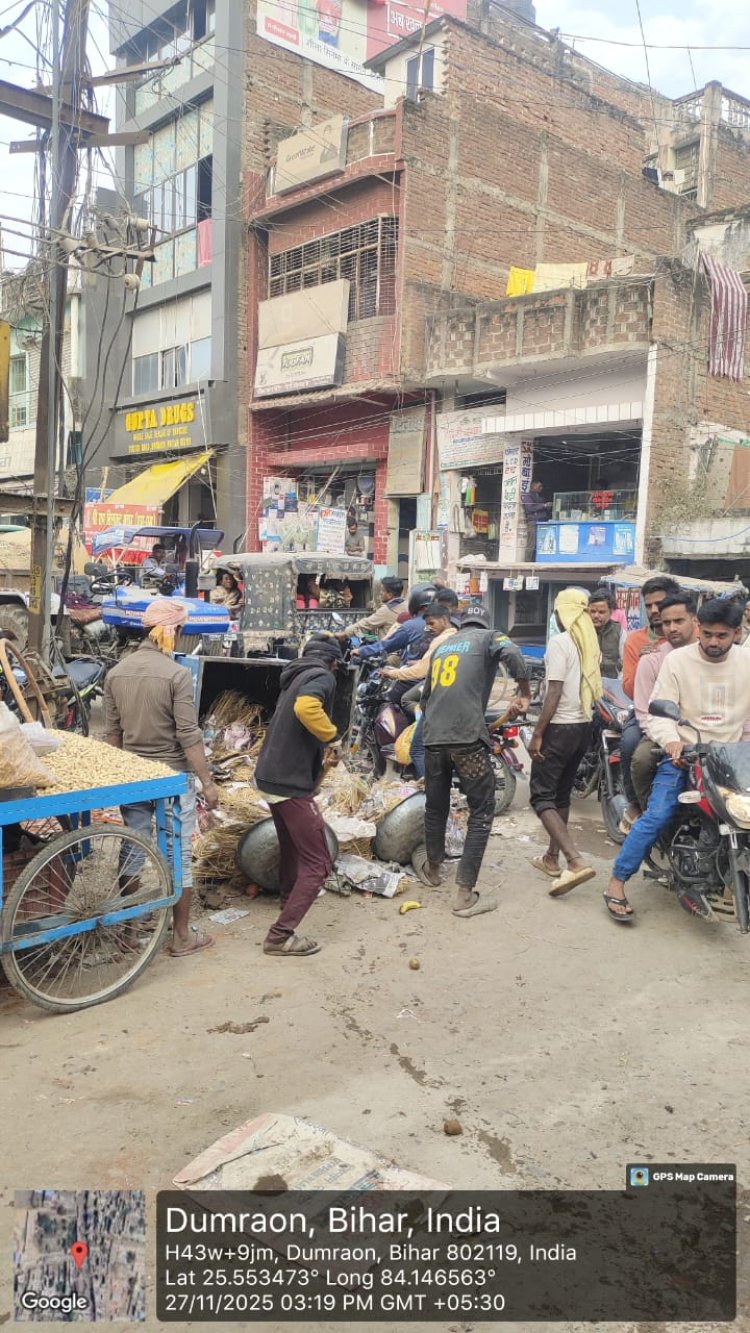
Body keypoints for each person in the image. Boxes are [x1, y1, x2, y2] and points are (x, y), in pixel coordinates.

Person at [603, 598, 750, 924]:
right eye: (708, 634)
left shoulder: (747, 661)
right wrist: (671, 740)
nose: (713, 642)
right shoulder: (677, 662)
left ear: (737, 633)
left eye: (722, 636)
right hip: (684, 755)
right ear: (699, 628)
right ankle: (616, 881)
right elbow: (659, 710)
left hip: (732, 759)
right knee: (657, 815)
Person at [104, 598, 219, 957]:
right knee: (178, 853)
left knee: (133, 847)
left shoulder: (115, 673)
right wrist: (208, 782)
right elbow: (188, 734)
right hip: (171, 778)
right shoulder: (177, 675)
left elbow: (112, 735)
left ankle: (129, 932)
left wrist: (119, 777)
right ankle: (181, 935)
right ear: (174, 632)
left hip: (134, 776)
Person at [416, 604, 531, 916]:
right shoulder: (488, 637)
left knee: (435, 807)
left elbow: (425, 700)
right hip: (466, 739)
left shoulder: (442, 648)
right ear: (483, 624)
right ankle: (464, 894)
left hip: (433, 740)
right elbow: (515, 655)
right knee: (481, 811)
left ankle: (433, 870)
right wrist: (524, 692)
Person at [254, 637, 344, 957]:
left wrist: (320, 764)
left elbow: (297, 728)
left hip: (270, 776)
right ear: (334, 663)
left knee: (292, 850)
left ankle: (286, 906)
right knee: (318, 863)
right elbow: (306, 709)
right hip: (286, 782)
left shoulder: (295, 676)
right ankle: (280, 937)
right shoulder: (322, 676)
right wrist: (332, 737)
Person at [527, 588, 602, 895]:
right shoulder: (588, 641)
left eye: (556, 612)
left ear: (563, 613)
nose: (555, 618)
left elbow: (554, 693)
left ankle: (574, 861)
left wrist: (537, 733)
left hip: (560, 728)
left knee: (541, 796)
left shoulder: (560, 642)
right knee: (560, 796)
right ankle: (551, 857)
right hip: (583, 726)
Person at [620, 594, 698, 831]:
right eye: (666, 623)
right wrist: (668, 739)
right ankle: (646, 813)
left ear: (695, 620)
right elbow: (645, 710)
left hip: (701, 729)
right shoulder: (652, 658)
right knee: (641, 758)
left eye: (678, 621)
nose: (672, 628)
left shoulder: (710, 654)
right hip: (660, 729)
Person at [382, 602, 456, 780]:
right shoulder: (457, 636)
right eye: (427, 624)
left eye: (432, 624)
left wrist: (393, 674)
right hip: (451, 693)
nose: (429, 628)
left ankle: (429, 791)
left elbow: (419, 671)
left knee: (416, 748)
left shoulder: (440, 640)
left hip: (438, 695)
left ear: (445, 620)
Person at [621, 576, 680, 698]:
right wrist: (642, 662)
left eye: (659, 604)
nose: (653, 610)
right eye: (648, 606)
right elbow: (630, 693)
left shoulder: (694, 635)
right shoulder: (634, 640)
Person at [336, 576, 404, 640]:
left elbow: (366, 624)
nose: (380, 593)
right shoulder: (407, 606)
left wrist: (345, 633)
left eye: (383, 590)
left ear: (390, 595)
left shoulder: (387, 610)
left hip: (389, 650)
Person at [587, 587, 623, 677]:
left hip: (611, 684)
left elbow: (625, 661)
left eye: (601, 612)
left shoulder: (619, 632)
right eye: (593, 611)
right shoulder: (583, 632)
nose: (596, 615)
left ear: (610, 612)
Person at [522, 479, 551, 561]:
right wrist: (544, 505)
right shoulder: (527, 496)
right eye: (539, 486)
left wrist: (546, 507)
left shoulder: (540, 497)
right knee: (531, 544)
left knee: (540, 543)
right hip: (533, 522)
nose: (541, 488)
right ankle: (527, 563)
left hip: (542, 522)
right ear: (533, 486)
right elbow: (530, 508)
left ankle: (536, 561)